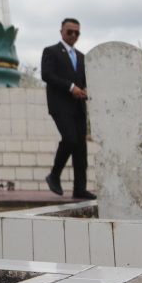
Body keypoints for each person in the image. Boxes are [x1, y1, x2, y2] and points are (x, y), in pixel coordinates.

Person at [41, 18, 95, 200]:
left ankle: (80, 188)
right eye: (69, 31)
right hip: (60, 105)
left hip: (78, 106)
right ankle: (54, 175)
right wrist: (71, 87)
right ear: (61, 31)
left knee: (81, 148)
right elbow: (47, 75)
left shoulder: (81, 56)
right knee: (70, 139)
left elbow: (84, 80)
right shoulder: (51, 51)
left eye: (76, 32)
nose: (73, 35)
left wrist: (85, 90)